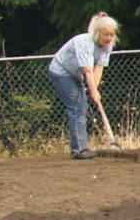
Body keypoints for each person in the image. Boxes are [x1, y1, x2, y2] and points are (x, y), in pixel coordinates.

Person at [47, 14, 121, 159]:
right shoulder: (85, 42)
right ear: (97, 33)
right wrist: (92, 90)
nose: (109, 38)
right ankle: (79, 150)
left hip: (76, 74)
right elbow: (88, 70)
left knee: (82, 106)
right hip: (61, 71)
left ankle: (82, 148)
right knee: (76, 106)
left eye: (112, 34)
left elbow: (98, 68)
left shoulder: (108, 45)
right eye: (106, 34)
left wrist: (96, 91)